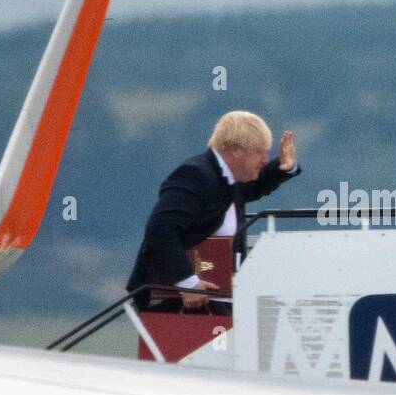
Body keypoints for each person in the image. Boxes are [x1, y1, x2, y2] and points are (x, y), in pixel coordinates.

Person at [126, 110, 300, 313]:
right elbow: (161, 230)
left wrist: (282, 168)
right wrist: (187, 283)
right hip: (181, 303)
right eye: (259, 151)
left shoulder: (225, 178)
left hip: (215, 299)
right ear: (237, 151)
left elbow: (252, 187)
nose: (265, 159)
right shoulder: (195, 175)